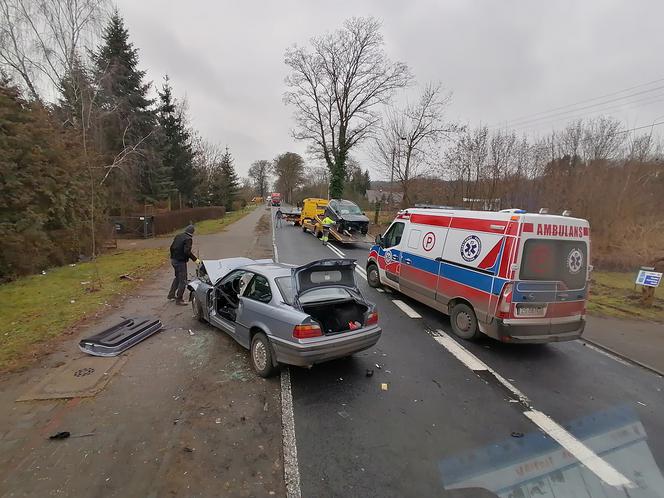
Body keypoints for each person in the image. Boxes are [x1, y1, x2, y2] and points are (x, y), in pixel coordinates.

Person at [167, 224, 200, 305]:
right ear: (192, 232)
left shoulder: (178, 235)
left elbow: (171, 247)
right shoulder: (188, 239)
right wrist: (196, 260)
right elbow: (187, 252)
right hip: (180, 262)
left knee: (177, 277)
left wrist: (173, 256)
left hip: (173, 260)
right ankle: (179, 299)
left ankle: (171, 295)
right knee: (183, 280)